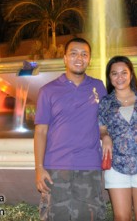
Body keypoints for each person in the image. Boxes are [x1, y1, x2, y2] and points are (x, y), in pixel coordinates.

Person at [34, 37, 107, 220]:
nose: (79, 58)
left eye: (84, 54)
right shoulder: (48, 91)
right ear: (65, 58)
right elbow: (41, 132)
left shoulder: (98, 87)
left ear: (89, 59)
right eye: (73, 53)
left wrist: (106, 137)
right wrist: (39, 168)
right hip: (55, 167)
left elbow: (104, 123)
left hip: (89, 166)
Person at [99, 56, 137, 221]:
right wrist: (105, 137)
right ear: (109, 77)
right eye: (114, 74)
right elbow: (102, 128)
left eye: (124, 73)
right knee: (121, 217)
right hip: (116, 165)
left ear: (131, 75)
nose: (120, 77)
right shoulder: (105, 103)